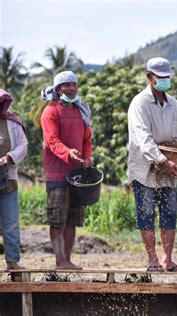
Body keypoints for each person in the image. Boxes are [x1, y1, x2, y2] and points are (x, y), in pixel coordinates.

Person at [128, 57, 177, 272]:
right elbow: (143, 139)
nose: (164, 81)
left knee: (169, 213)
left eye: (167, 77)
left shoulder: (172, 102)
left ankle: (168, 259)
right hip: (145, 167)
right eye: (160, 77)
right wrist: (162, 161)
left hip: (170, 165)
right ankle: (152, 259)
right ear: (149, 77)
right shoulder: (140, 103)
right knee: (146, 213)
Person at [41, 71, 93, 270]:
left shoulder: (81, 110)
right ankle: (59, 261)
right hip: (57, 174)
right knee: (57, 220)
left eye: (74, 85)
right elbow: (52, 141)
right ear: (58, 89)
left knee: (72, 219)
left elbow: (86, 139)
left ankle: (68, 260)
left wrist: (86, 156)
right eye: (66, 85)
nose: (71, 89)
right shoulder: (51, 111)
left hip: (77, 174)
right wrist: (67, 152)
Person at [0, 89, 28, 270]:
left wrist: (9, 157)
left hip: (7, 179)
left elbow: (23, 145)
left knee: (10, 222)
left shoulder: (13, 122)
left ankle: (12, 261)